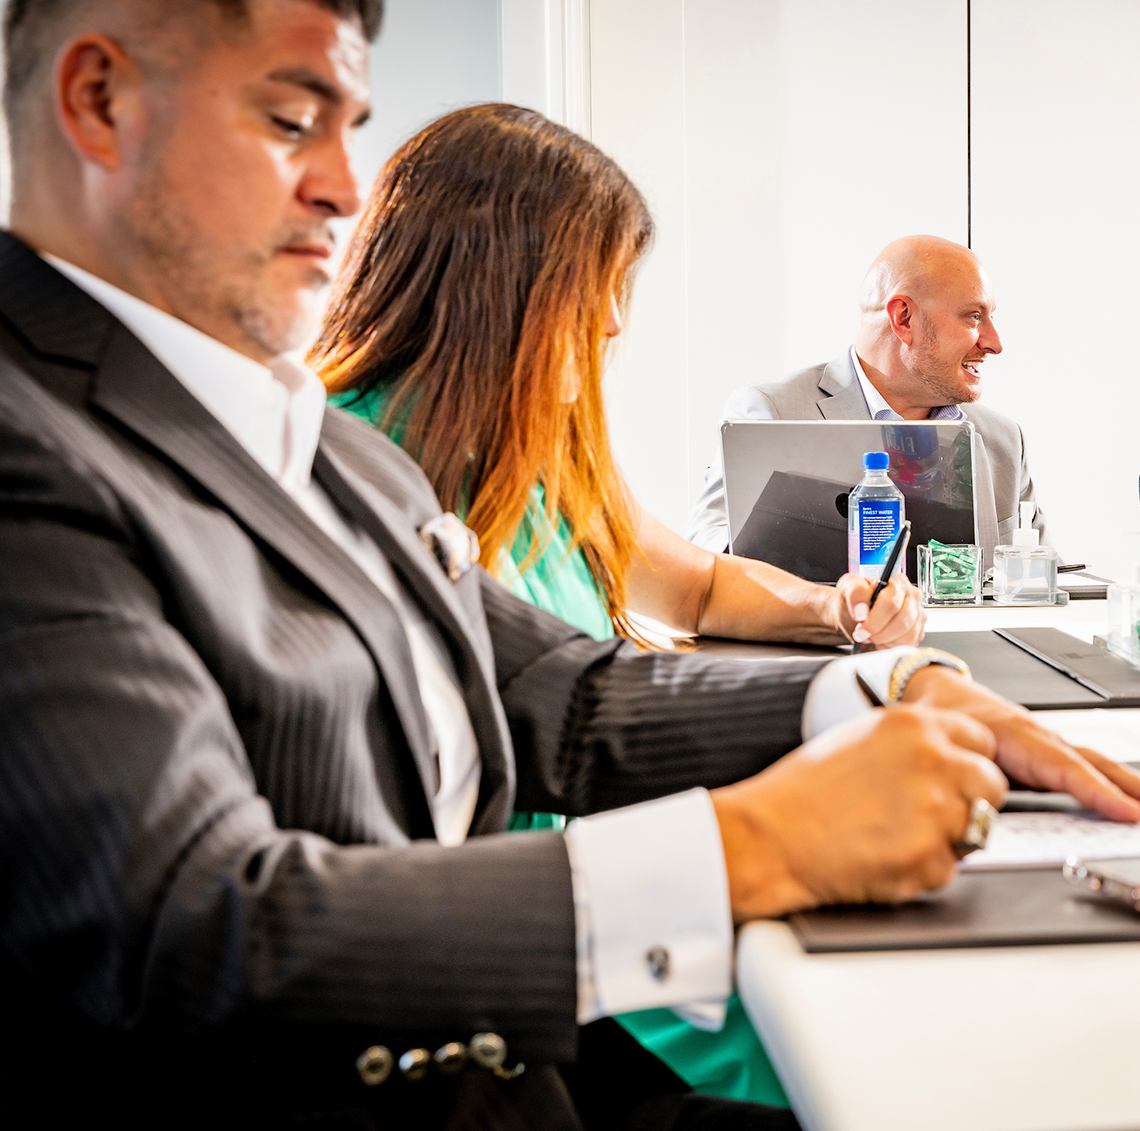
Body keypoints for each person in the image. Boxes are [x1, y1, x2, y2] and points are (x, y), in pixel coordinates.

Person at [0, 0, 1140, 1125]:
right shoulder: (12, 443)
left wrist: (877, 692)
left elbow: (559, 693)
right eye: (293, 120)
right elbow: (191, 928)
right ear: (101, 101)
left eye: (349, 130)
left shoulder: (311, 441)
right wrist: (751, 846)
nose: (344, 188)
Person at [311, 102, 924, 1106]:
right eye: (592, 285)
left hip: (603, 872)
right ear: (498, 283)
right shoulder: (340, 467)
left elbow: (700, 584)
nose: (610, 323)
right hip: (520, 932)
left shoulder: (540, 450)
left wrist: (837, 611)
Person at [686, 234, 1044, 552]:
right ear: (903, 318)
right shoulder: (773, 412)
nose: (994, 343)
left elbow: (1044, 579)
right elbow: (707, 549)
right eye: (974, 317)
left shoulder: (1004, 441)